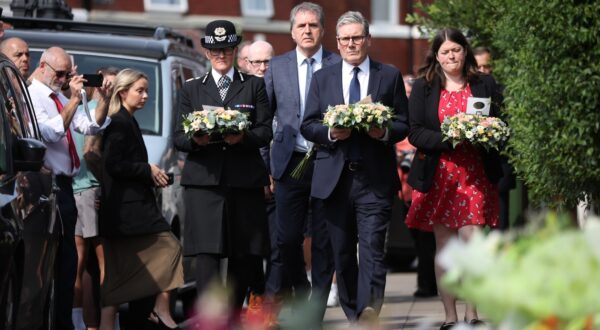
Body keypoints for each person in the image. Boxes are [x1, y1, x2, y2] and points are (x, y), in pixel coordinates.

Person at [301, 11, 409, 324]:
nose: (351, 44)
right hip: (334, 180)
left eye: (357, 38)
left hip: (374, 179)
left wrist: (384, 131)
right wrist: (332, 133)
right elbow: (308, 124)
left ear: (368, 40)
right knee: (343, 253)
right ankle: (353, 311)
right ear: (337, 42)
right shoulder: (323, 77)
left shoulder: (388, 75)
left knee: (373, 248)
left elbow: (403, 123)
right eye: (346, 39)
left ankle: (369, 312)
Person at [173, 19, 273, 323]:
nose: (221, 54)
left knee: (244, 256)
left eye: (227, 48)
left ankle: (231, 316)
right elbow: (178, 136)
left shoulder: (253, 85)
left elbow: (266, 130)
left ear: (235, 49)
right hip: (205, 182)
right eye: (216, 50)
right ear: (207, 52)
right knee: (207, 257)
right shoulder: (191, 89)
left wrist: (243, 137)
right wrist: (196, 139)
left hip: (243, 183)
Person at [404, 28, 503, 330]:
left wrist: (486, 132)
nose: (452, 56)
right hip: (440, 174)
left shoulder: (484, 83)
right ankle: (449, 316)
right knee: (445, 247)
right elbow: (416, 131)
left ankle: (472, 314)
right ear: (436, 56)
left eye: (456, 50)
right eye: (445, 52)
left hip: (474, 173)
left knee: (472, 242)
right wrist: (450, 138)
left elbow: (502, 121)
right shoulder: (424, 86)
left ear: (465, 51)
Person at [263, 1, 341, 322]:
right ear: (292, 31)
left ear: (322, 30)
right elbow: (264, 117)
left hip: (327, 160)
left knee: (324, 241)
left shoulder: (337, 64)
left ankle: (315, 312)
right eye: (301, 26)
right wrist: (267, 163)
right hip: (289, 162)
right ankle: (299, 290)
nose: (307, 31)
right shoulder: (277, 67)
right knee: (287, 238)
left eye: (313, 25)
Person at [28, 46, 111, 330]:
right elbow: (50, 133)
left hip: (66, 185)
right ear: (43, 67)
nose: (64, 79)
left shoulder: (58, 96)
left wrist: (103, 101)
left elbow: (90, 127)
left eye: (67, 74)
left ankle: (62, 321)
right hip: (49, 186)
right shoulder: (34, 96)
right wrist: (74, 99)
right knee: (61, 260)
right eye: (60, 74)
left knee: (67, 261)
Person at [99, 68, 183, 330]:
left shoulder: (129, 120)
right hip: (128, 212)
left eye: (147, 90)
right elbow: (113, 164)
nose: (146, 96)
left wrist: (154, 175)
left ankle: (143, 313)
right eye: (140, 90)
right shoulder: (118, 122)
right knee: (170, 247)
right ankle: (160, 305)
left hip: (133, 207)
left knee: (127, 273)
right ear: (123, 93)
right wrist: (146, 169)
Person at [72, 67, 119, 330]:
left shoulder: (83, 107)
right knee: (103, 263)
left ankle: (81, 322)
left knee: (80, 264)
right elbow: (90, 151)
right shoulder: (100, 110)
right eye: (107, 84)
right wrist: (104, 184)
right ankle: (106, 322)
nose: (109, 89)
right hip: (89, 189)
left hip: (78, 189)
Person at [473, 46, 516, 231]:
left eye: (487, 66)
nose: (484, 71)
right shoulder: (466, 91)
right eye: (479, 67)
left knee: (500, 223)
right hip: (473, 165)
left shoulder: (504, 92)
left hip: (499, 164)